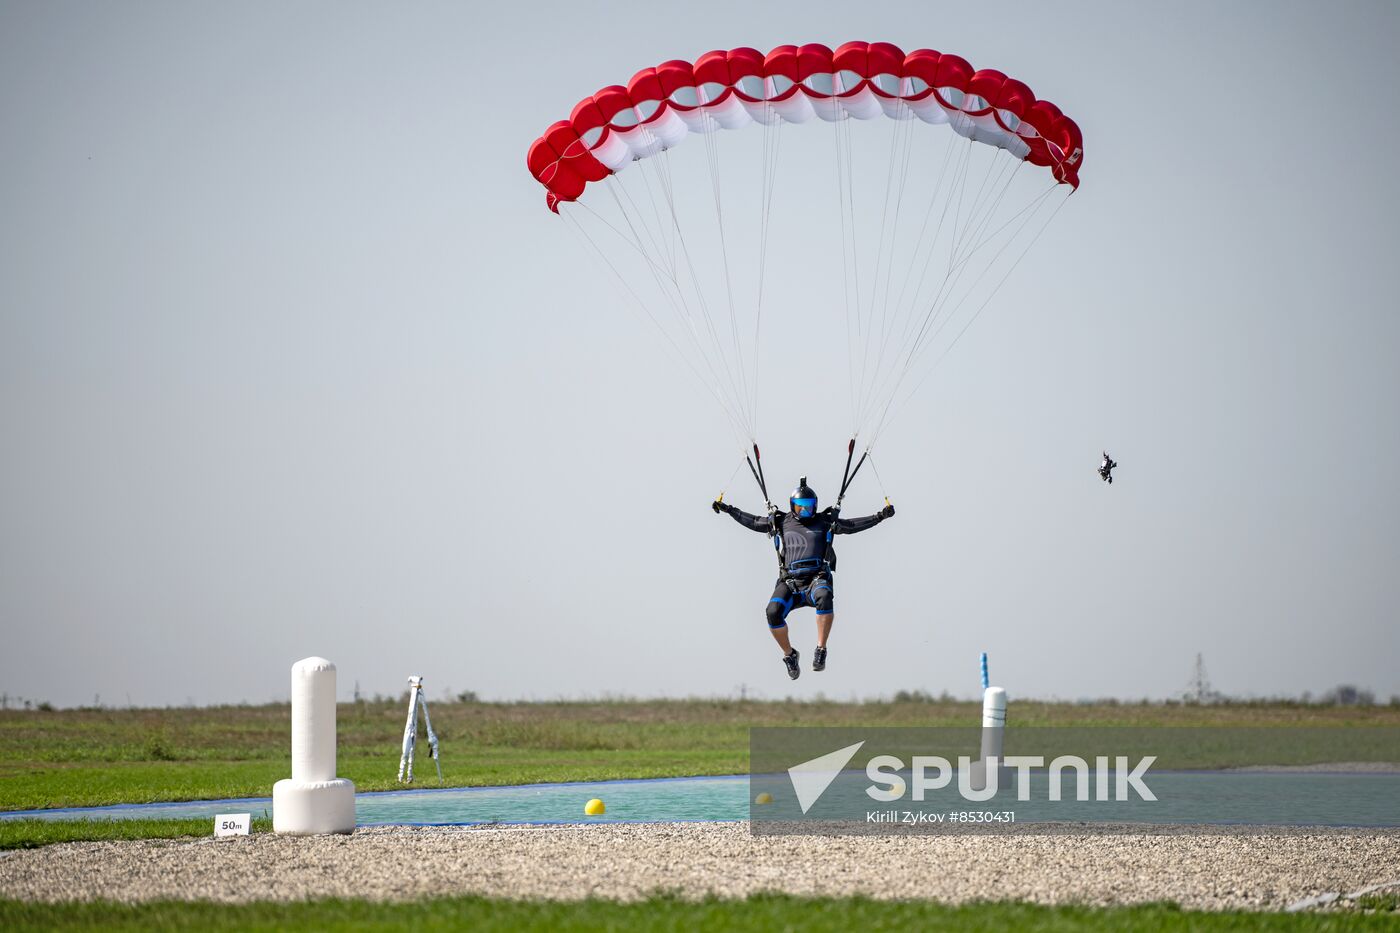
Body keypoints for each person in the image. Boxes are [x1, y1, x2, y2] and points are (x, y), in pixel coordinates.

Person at [713, 477, 894, 680]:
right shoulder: (781, 521)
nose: (805, 511)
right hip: (790, 582)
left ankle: (821, 649)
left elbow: (851, 525)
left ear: (815, 505)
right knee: (772, 613)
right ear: (793, 506)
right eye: (800, 507)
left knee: (825, 596)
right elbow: (754, 522)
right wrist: (728, 509)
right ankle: (790, 655)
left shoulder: (825, 522)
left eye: (809, 507)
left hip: (816, 578)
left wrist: (880, 516)